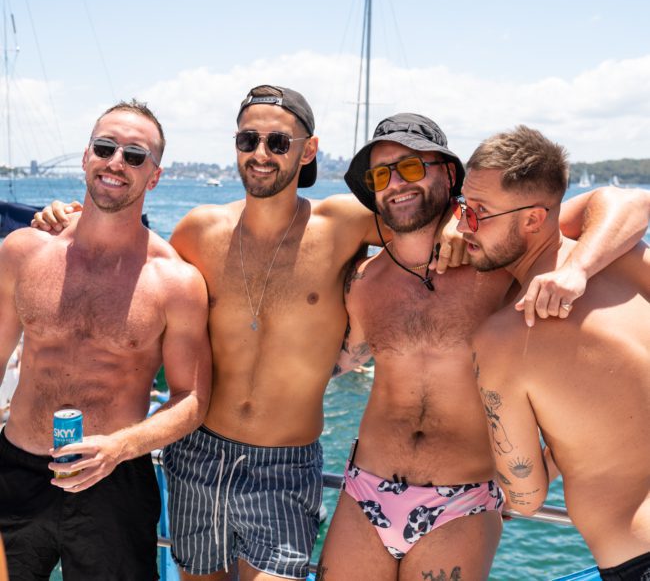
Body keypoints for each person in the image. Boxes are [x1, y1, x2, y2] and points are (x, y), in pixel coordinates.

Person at [32, 90, 643, 581]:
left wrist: (574, 268)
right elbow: (139, 257)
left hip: (335, 472)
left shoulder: (451, 247)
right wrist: (74, 216)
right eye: (249, 140)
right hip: (223, 462)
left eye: (278, 141)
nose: (262, 152)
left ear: (307, 150)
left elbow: (614, 205)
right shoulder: (207, 231)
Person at [317, 113, 650, 581]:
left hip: (462, 500)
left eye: (411, 167)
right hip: (364, 489)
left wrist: (576, 270)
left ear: (449, 176)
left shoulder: (502, 260)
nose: (395, 184)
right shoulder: (364, 282)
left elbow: (630, 202)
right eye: (380, 175)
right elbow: (335, 363)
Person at [0, 100, 212, 581]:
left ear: (153, 176)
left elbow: (192, 399)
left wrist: (119, 447)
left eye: (135, 156)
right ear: (86, 157)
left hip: (115, 483)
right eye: (105, 147)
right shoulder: (23, 251)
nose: (117, 162)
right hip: (15, 472)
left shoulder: (174, 282)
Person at [461, 126, 650, 581]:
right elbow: (630, 201)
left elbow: (525, 497)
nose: (462, 225)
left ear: (532, 220)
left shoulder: (505, 337)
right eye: (462, 208)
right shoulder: (626, 258)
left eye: (478, 213)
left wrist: (561, 451)